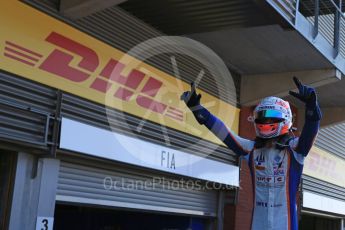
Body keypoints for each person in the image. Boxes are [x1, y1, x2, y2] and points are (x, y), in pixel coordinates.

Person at [181, 77, 321, 230]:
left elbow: (311, 131)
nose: (266, 121)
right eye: (262, 117)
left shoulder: (295, 150)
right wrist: (198, 109)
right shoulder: (251, 149)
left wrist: (311, 105)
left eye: (271, 117)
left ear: (285, 118)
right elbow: (223, 132)